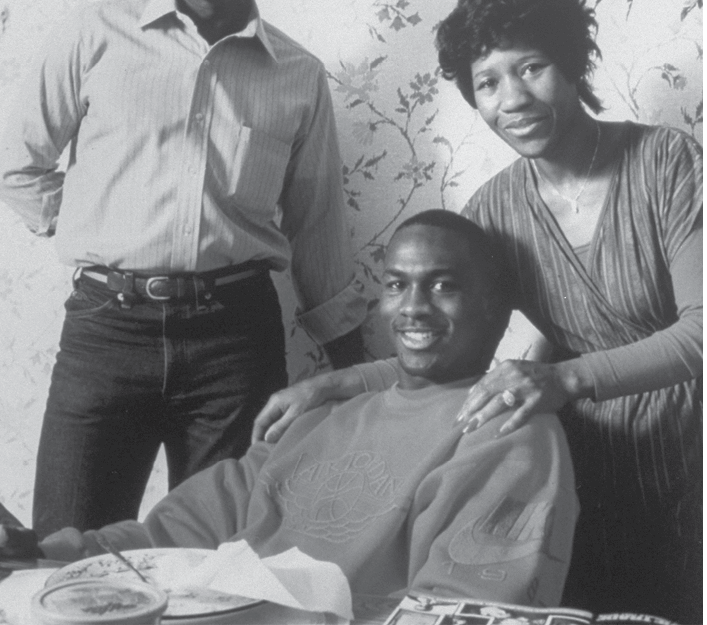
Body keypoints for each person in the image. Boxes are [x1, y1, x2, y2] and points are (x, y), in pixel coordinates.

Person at [252, 0, 703, 623]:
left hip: (690, 454)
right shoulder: (493, 211)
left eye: (531, 67)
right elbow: (457, 359)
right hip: (584, 469)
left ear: (572, 63)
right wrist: (333, 386)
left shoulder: (665, 161)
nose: (511, 98)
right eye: (487, 82)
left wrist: (564, 375)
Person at [0, 0, 366, 539]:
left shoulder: (298, 75)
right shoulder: (94, 35)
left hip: (235, 342)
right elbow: (16, 162)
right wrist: (87, 224)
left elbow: (316, 226)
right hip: (105, 332)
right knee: (68, 556)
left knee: (220, 557)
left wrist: (361, 369)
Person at [26, 211, 578, 606]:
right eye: (396, 285)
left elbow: (466, 608)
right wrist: (43, 552)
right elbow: (166, 539)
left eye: (443, 287)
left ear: (496, 309)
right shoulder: (320, 413)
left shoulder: (508, 431)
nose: (412, 308)